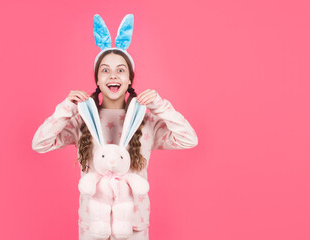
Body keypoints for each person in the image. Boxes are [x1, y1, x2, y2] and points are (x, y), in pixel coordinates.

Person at [32, 14, 198, 240]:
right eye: (105, 70)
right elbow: (40, 143)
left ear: (130, 79)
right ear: (98, 80)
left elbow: (189, 139)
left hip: (133, 227)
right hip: (92, 227)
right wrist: (66, 109)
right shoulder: (82, 121)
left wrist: (160, 107)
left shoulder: (146, 121)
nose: (113, 75)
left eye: (121, 70)